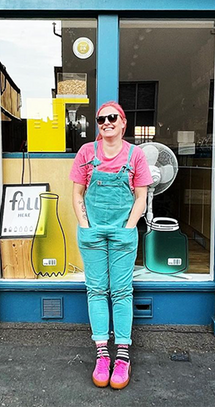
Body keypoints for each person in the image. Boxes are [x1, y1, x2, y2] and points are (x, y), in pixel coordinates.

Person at [70, 101, 152, 389]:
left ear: (123, 122)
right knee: (96, 291)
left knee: (120, 292)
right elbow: (77, 193)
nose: (106, 122)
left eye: (112, 118)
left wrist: (129, 227)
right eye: (101, 119)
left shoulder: (136, 155)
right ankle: (102, 354)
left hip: (123, 233)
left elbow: (141, 197)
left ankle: (123, 356)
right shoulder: (86, 153)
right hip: (92, 233)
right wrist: (84, 225)